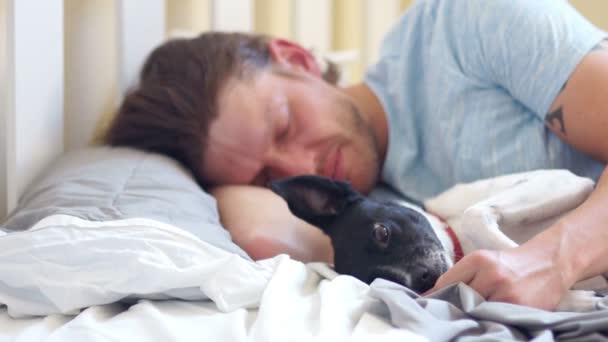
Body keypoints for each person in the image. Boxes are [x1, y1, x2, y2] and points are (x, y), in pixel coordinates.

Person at [106, 0, 608, 311]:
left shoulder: (461, 27)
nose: (302, 166)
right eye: (266, 177)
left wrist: (555, 260)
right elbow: (262, 235)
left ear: (298, 59)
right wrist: (222, 182)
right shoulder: (367, 223)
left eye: (285, 124)